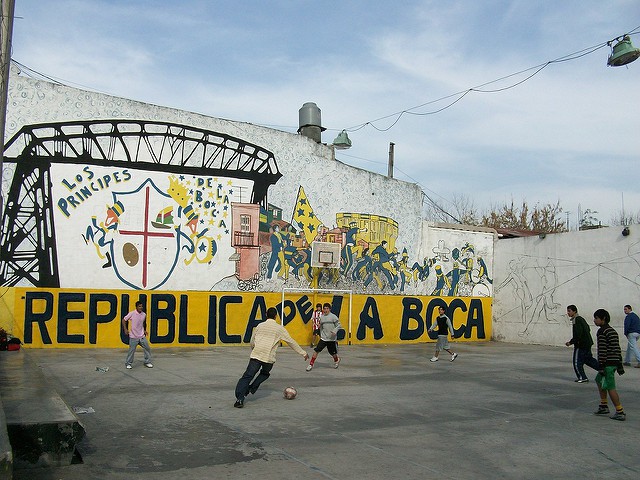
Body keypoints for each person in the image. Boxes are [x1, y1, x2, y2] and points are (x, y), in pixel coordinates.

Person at [234, 307, 308, 408]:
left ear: (266, 314)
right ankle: (251, 388)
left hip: (257, 354)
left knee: (247, 376)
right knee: (264, 373)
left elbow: (252, 340)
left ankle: (239, 399)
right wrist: (303, 353)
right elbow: (291, 342)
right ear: (275, 316)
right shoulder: (279, 328)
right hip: (269, 358)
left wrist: (254, 349)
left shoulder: (260, 326)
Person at [592, 309, 626, 421]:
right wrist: (620, 365)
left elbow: (602, 350)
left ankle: (620, 411)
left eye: (596, 318)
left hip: (607, 364)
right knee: (598, 380)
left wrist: (601, 366)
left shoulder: (602, 331)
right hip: (614, 362)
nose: (594, 320)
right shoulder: (612, 331)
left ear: (603, 319)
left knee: (610, 387)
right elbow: (617, 348)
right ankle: (603, 405)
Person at [564, 305, 598, 382]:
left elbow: (578, 334)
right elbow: (587, 328)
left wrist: (571, 342)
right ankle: (602, 370)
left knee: (577, 362)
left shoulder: (577, 320)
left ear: (574, 311)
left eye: (569, 311)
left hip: (581, 345)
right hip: (587, 343)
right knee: (588, 359)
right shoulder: (581, 319)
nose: (568, 313)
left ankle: (582, 377)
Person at [306, 303, 342, 371]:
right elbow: (322, 325)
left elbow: (339, 325)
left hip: (331, 339)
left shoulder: (333, 317)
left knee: (332, 353)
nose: (325, 310)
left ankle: (337, 360)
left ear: (329, 309)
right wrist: (319, 326)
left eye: (327, 309)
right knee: (316, 350)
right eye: (324, 309)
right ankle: (311, 364)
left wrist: (335, 331)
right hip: (323, 338)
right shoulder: (322, 317)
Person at [122, 301, 153, 369]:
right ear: (136, 307)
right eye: (139, 306)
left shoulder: (144, 314)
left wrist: (144, 330)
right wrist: (125, 329)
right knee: (132, 350)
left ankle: (147, 362)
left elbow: (143, 323)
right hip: (133, 336)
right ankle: (128, 363)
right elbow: (124, 320)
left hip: (142, 336)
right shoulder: (132, 313)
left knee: (147, 348)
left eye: (141, 306)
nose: (141, 308)